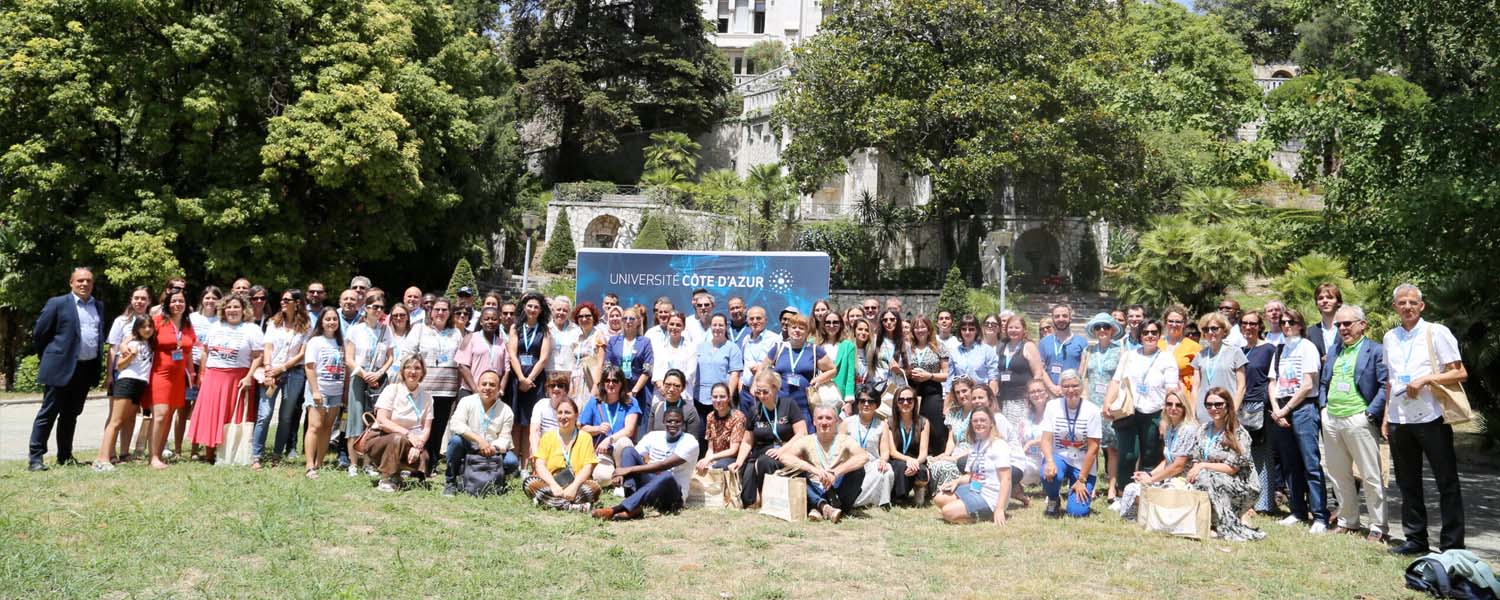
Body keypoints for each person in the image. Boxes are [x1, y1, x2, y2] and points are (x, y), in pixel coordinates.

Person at [1383, 284, 1468, 555]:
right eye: (1402, 303)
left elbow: (1460, 372)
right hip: (1400, 418)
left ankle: (1452, 544)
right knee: (1407, 483)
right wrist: (1386, 416)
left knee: (1446, 482)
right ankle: (1415, 539)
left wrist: (1427, 379)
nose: (1407, 307)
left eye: (1412, 302)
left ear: (1422, 306)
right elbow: (1390, 380)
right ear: (1395, 307)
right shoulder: (1390, 337)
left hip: (1432, 417)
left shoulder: (1436, 332)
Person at [1319, 305, 1389, 542]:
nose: (1342, 328)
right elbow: (1324, 381)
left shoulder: (1375, 350)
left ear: (1362, 324)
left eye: (1347, 323)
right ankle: (1348, 521)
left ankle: (1378, 526)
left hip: (1359, 418)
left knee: (1370, 475)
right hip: (1332, 418)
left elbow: (1385, 385)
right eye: (1338, 324)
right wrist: (1323, 408)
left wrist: (1369, 413)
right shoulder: (1335, 349)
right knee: (1338, 474)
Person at [29, 267, 107, 471]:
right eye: (80, 280)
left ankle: (65, 456)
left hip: (85, 368)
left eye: (88, 280)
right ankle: (35, 458)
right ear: (71, 283)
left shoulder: (98, 306)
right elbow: (40, 333)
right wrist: (51, 356)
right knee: (48, 412)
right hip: (59, 367)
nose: (84, 284)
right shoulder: (58, 303)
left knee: (71, 414)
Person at [1269, 307, 1329, 533]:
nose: (1286, 326)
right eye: (1283, 322)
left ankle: (1320, 515)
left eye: (1291, 322)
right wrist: (1277, 410)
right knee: (1290, 463)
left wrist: (1285, 409)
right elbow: (1272, 382)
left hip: (1303, 408)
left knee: (1310, 463)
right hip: (1282, 408)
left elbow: (1307, 384)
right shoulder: (1280, 349)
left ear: (1300, 325)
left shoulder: (1307, 347)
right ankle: (1297, 510)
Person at [1104, 318, 1179, 497]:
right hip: (1129, 411)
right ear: (1140, 335)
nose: (1150, 336)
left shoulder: (1167, 358)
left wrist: (1165, 419)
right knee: (1127, 454)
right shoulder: (1129, 356)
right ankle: (1123, 493)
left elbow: (1171, 391)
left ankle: (1146, 494)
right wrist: (1107, 402)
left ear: (1159, 335)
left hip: (1155, 413)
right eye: (1146, 332)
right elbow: (1116, 381)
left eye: (1154, 332)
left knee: (1150, 456)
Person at [187, 293, 263, 464]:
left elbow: (258, 356)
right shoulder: (215, 327)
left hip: (237, 378)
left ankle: (230, 453)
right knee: (211, 415)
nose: (232, 310)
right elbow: (206, 352)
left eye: (236, 307)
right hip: (213, 376)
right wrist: (202, 375)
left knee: (232, 416)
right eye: (228, 307)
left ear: (244, 310)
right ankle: (209, 453)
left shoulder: (252, 329)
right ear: (223, 310)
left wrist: (249, 377)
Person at [594, 407, 699, 520]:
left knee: (667, 475)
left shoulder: (690, 442)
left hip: (672, 496)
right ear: (663, 421)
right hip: (650, 486)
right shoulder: (653, 436)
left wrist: (628, 470)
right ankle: (634, 506)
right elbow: (633, 456)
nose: (673, 424)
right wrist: (620, 472)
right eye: (669, 421)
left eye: (677, 421)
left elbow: (664, 465)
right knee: (628, 451)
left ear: (682, 423)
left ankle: (617, 509)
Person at [773, 402, 868, 522]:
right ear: (814, 422)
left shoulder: (845, 440)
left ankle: (817, 508)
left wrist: (835, 473)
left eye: (828, 418)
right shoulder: (806, 441)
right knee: (794, 472)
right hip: (814, 488)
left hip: (838, 494)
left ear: (836, 421)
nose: (824, 422)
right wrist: (814, 470)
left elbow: (863, 456)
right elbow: (784, 457)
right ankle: (823, 507)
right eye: (820, 418)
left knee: (859, 470)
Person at [1112, 390, 1200, 517]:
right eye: (1169, 404)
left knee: (1155, 491)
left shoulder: (1188, 430)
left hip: (1183, 480)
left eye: (1178, 405)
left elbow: (1178, 465)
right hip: (1169, 477)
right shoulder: (1170, 428)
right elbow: (1167, 461)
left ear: (1185, 407)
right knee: (1131, 488)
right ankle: (1137, 518)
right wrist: (1149, 474)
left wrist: (1152, 479)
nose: (1173, 408)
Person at [730, 370, 807, 508]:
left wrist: (782, 450)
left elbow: (802, 433)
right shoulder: (755, 410)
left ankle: (770, 501)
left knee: (766, 462)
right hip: (761, 451)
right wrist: (739, 461)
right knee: (748, 499)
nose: (761, 396)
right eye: (758, 392)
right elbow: (747, 441)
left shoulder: (788, 405)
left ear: (775, 388)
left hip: (786, 450)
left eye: (765, 392)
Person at [406, 296, 465, 472]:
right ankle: (416, 463)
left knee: (439, 427)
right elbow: (408, 354)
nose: (440, 313)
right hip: (423, 387)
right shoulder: (419, 329)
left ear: (449, 313)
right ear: (430, 312)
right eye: (437, 309)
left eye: (444, 310)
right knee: (421, 426)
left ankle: (431, 464)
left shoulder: (456, 333)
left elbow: (460, 360)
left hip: (446, 389)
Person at [257, 288, 311, 469]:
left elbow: (302, 353)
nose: (282, 302)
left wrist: (284, 367)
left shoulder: (306, 325)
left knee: (286, 417)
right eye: (282, 299)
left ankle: (277, 454)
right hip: (272, 370)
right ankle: (256, 455)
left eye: (287, 300)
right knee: (265, 414)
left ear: (297, 303)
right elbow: (268, 347)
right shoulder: (274, 322)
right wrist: (268, 369)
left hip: (294, 373)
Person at [444, 370, 518, 496]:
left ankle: (496, 479)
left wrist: (492, 448)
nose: (487, 388)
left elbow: (505, 438)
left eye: (492, 385)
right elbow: (456, 424)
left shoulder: (506, 410)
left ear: (499, 389)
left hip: (492, 450)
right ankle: (450, 482)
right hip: (469, 445)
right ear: (478, 386)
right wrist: (479, 440)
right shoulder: (466, 401)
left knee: (511, 462)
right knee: (455, 441)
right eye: (484, 384)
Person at [1039, 370, 1102, 518]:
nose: (1070, 390)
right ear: (1060, 388)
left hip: (1082, 464)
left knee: (1077, 512)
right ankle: (1053, 499)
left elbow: (1093, 449)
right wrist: (1049, 461)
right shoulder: (1052, 406)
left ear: (1082, 386)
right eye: (1066, 386)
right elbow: (1045, 440)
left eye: (1075, 385)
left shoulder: (1092, 410)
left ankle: (1074, 494)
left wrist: (1081, 479)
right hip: (1059, 457)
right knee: (1048, 473)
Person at [94, 317, 154, 470]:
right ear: (137, 328)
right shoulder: (132, 344)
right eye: (143, 327)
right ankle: (102, 459)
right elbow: (119, 366)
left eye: (150, 326)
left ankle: (124, 454)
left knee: (128, 420)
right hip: (127, 381)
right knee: (116, 421)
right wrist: (131, 354)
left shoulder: (150, 344)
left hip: (141, 384)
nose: (147, 329)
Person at [368, 356, 436, 492]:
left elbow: (426, 428)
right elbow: (382, 420)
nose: (413, 372)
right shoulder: (392, 390)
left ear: (423, 372)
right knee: (398, 439)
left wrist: (418, 447)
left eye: (417, 368)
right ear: (402, 371)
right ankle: (386, 478)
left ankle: (396, 474)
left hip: (411, 441)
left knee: (423, 456)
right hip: (381, 437)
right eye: (408, 367)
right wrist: (408, 434)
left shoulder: (427, 397)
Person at [146, 288, 196, 469]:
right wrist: (126, 345)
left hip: (178, 377)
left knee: (168, 416)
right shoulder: (157, 321)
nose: (177, 304)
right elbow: (139, 335)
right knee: (160, 415)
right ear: (167, 303)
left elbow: (188, 352)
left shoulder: (187, 325)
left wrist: (192, 374)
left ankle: (158, 454)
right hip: (160, 373)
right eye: (174, 301)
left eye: (181, 301)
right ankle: (153, 457)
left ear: (186, 304)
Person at [933, 409, 1010, 526]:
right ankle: (965, 509)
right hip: (976, 488)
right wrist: (956, 481)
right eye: (975, 421)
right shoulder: (975, 444)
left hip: (991, 497)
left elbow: (1006, 479)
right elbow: (970, 476)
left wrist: (1000, 508)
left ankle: (988, 513)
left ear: (991, 423)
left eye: (983, 420)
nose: (979, 423)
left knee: (947, 512)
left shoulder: (999, 445)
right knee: (939, 499)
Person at [345, 293, 394, 476]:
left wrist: (379, 374)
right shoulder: (355, 330)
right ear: (366, 308)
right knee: (355, 419)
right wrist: (364, 374)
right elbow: (349, 359)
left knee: (373, 420)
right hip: (360, 377)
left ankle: (368, 463)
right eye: (375, 307)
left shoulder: (386, 330)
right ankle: (353, 463)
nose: (378, 310)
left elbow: (390, 357)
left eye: (381, 307)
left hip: (378, 379)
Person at [524, 397, 601, 512]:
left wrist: (574, 487)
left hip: (577, 483)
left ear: (576, 415)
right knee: (529, 482)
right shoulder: (548, 437)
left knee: (594, 487)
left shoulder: (585, 437)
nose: (563, 416)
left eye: (567, 412)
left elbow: (588, 467)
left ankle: (546, 501)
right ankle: (573, 506)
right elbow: (539, 464)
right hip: (551, 482)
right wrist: (553, 485)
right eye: (560, 412)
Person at [1238, 309, 1279, 518]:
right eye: (1244, 323)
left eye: (1252, 323)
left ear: (1260, 326)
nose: (1248, 327)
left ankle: (1265, 503)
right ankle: (1248, 500)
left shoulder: (1269, 349)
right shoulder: (1240, 350)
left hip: (1259, 406)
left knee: (1262, 455)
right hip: (1240, 406)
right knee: (1244, 454)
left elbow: (1273, 379)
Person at [104, 285, 152, 461]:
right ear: (131, 300)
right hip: (122, 372)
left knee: (131, 416)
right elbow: (113, 349)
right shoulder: (121, 321)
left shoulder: (151, 321)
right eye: (136, 298)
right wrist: (110, 375)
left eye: (143, 298)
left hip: (141, 376)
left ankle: (124, 452)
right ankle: (109, 452)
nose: (139, 301)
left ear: (149, 301)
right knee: (115, 416)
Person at [763, 314, 835, 427]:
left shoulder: (814, 350)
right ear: (788, 329)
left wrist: (819, 379)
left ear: (807, 331)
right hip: (780, 404)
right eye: (794, 327)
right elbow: (763, 369)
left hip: (805, 405)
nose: (797, 330)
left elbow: (832, 370)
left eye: (801, 328)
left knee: (804, 436)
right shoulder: (778, 348)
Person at [1079, 313, 1122, 499]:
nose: (1102, 330)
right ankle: (1092, 485)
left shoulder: (1120, 351)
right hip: (1092, 404)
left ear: (1112, 329)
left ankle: (1112, 487)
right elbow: (1082, 376)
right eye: (1098, 327)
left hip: (1111, 405)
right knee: (1092, 447)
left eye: (1106, 326)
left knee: (1112, 448)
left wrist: (1112, 403)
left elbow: (1122, 379)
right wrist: (1084, 399)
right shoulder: (1088, 351)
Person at [300, 307, 346, 477]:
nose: (331, 322)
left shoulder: (341, 343)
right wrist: (315, 391)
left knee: (327, 427)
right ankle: (310, 465)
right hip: (319, 389)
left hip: (336, 391)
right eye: (328, 319)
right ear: (321, 322)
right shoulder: (315, 342)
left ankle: (319, 462)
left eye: (334, 319)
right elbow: (309, 367)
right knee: (315, 426)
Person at [577, 365, 641, 479]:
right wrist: (597, 429)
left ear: (621, 383)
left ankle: (622, 474)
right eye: (607, 381)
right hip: (602, 452)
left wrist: (609, 439)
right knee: (603, 478)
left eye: (615, 381)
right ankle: (614, 477)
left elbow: (629, 430)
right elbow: (581, 428)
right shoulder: (594, 402)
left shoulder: (631, 402)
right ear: (602, 383)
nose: (611, 384)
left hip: (620, 449)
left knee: (624, 441)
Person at [840, 388, 894, 509]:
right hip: (852, 466)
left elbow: (885, 451)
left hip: (872, 463)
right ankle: (855, 501)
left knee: (887, 471)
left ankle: (883, 502)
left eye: (870, 401)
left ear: (876, 404)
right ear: (857, 403)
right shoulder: (847, 423)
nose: (866, 404)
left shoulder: (882, 425)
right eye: (862, 401)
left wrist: (883, 460)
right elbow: (838, 449)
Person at [1190, 311, 1247, 424]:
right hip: (1204, 412)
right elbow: (1195, 387)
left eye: (1214, 328)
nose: (1210, 332)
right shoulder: (1200, 355)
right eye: (1206, 329)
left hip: (1226, 411)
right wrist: (1192, 414)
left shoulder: (1235, 353)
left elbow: (1242, 386)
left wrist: (1233, 412)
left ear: (1224, 331)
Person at [695, 313, 743, 445]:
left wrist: (728, 396)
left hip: (720, 399)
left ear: (726, 326)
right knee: (701, 434)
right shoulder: (701, 347)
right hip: (699, 398)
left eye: (720, 325)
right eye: (714, 325)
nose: (717, 328)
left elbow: (735, 374)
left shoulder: (732, 348)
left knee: (719, 436)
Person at [604, 305, 654, 420]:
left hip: (639, 392)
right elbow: (607, 366)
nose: (627, 321)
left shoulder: (645, 342)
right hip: (616, 389)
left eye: (631, 318)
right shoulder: (613, 341)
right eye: (624, 318)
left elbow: (647, 370)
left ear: (639, 321)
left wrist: (634, 392)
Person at [997, 313, 1045, 429]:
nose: (1013, 330)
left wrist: (1033, 395)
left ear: (1024, 330)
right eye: (1010, 327)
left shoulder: (1028, 346)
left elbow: (1038, 373)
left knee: (1020, 431)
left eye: (1017, 327)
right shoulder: (1002, 346)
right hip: (1004, 399)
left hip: (1022, 400)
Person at [927, 378, 976, 492]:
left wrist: (954, 458)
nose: (961, 395)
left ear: (972, 390)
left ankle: (950, 492)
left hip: (970, 454)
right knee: (932, 462)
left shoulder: (978, 413)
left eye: (964, 391)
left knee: (944, 466)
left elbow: (978, 445)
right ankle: (936, 493)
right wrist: (945, 455)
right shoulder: (954, 413)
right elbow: (951, 440)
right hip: (955, 452)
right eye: (957, 392)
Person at [885, 385, 930, 505]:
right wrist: (908, 460)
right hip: (897, 460)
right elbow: (892, 452)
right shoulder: (889, 422)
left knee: (922, 470)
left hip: (916, 461)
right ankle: (900, 497)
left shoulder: (923, 422)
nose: (905, 403)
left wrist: (915, 463)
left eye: (909, 400)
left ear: (915, 402)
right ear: (896, 403)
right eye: (901, 400)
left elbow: (923, 453)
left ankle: (919, 489)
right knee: (901, 466)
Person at [456, 306, 508, 400]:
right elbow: (462, 366)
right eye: (486, 319)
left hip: (492, 394)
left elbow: (506, 370)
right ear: (481, 321)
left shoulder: (502, 343)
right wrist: (476, 390)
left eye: (494, 319)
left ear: (499, 322)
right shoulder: (469, 338)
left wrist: (501, 391)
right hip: (470, 392)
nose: (490, 321)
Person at [736, 306, 781, 412]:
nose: (755, 321)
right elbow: (743, 364)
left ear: (766, 320)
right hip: (745, 393)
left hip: (764, 393)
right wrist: (741, 387)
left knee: (763, 422)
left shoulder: (775, 339)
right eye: (751, 319)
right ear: (747, 321)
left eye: (758, 318)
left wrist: (762, 369)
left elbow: (778, 365)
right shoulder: (746, 340)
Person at [651, 312, 698, 411]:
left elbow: (690, 373)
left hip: (683, 395)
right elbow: (656, 372)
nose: (674, 327)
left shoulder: (691, 348)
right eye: (671, 324)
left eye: (678, 325)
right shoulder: (659, 346)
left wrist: (674, 389)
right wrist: (664, 389)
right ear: (667, 325)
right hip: (661, 395)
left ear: (683, 327)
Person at [906, 315, 949, 419]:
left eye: (923, 327)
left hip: (932, 391)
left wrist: (929, 376)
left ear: (929, 329)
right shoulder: (907, 347)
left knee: (934, 425)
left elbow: (947, 375)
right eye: (916, 328)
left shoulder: (939, 346)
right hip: (910, 391)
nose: (920, 330)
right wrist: (909, 373)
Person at [1039, 304, 1087, 396]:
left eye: (1064, 316)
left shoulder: (1081, 342)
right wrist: (1052, 387)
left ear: (1070, 318)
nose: (1061, 319)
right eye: (1057, 316)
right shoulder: (1044, 342)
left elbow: (1082, 369)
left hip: (1073, 393)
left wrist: (1072, 387)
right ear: (1053, 319)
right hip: (1050, 393)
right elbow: (1040, 368)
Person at [696, 383, 744, 472]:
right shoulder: (710, 417)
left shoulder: (737, 417)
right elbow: (710, 448)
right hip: (715, 457)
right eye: (715, 397)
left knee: (717, 466)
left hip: (732, 458)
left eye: (722, 397)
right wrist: (706, 460)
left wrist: (711, 458)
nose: (718, 400)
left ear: (728, 398)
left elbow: (733, 450)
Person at [649, 368, 702, 443]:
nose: (671, 389)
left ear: (683, 388)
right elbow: (649, 437)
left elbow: (693, 442)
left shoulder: (690, 411)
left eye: (676, 386)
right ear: (663, 385)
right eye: (667, 385)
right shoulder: (656, 408)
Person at [568, 302, 606, 404]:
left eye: (587, 316)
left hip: (590, 381)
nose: (584, 319)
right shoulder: (578, 337)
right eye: (580, 316)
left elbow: (600, 363)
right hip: (576, 380)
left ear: (594, 318)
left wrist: (596, 385)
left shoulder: (599, 335)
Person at [1162, 305, 1202, 398]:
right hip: (1159, 396)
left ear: (1184, 324)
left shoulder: (1195, 347)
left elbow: (1199, 379)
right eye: (1170, 321)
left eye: (1178, 322)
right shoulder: (1157, 345)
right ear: (1165, 322)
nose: (1174, 324)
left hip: (1184, 396)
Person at [868, 308, 907, 391]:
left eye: (892, 319)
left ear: (898, 321)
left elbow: (909, 371)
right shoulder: (875, 341)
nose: (889, 322)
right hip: (879, 386)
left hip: (898, 387)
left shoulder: (905, 343)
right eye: (885, 320)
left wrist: (899, 370)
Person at [1309, 283, 1343, 356]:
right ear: (1317, 304)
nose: (1325, 301)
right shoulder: (1310, 332)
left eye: (1329, 297)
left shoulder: (1347, 328)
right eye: (1320, 298)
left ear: (1338, 302)